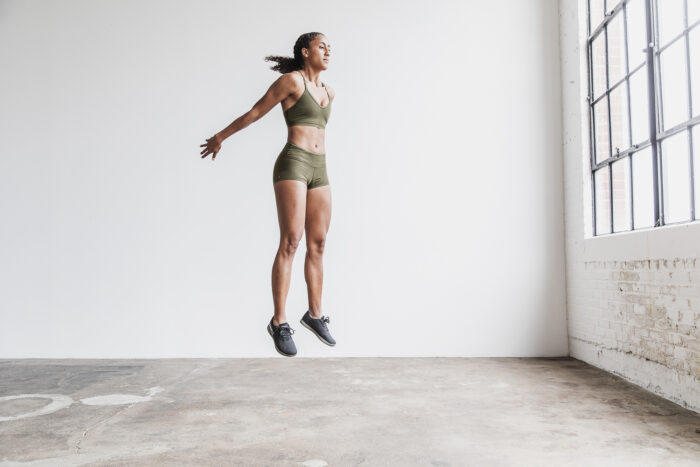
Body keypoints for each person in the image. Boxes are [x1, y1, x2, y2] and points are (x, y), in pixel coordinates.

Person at [199, 32, 337, 357]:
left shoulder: (329, 91)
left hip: (320, 168)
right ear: (305, 52)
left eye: (329, 47)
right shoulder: (292, 81)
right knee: (291, 240)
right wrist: (220, 137)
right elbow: (255, 112)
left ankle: (315, 314)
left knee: (318, 243)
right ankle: (279, 321)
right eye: (321, 46)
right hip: (294, 163)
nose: (328, 51)